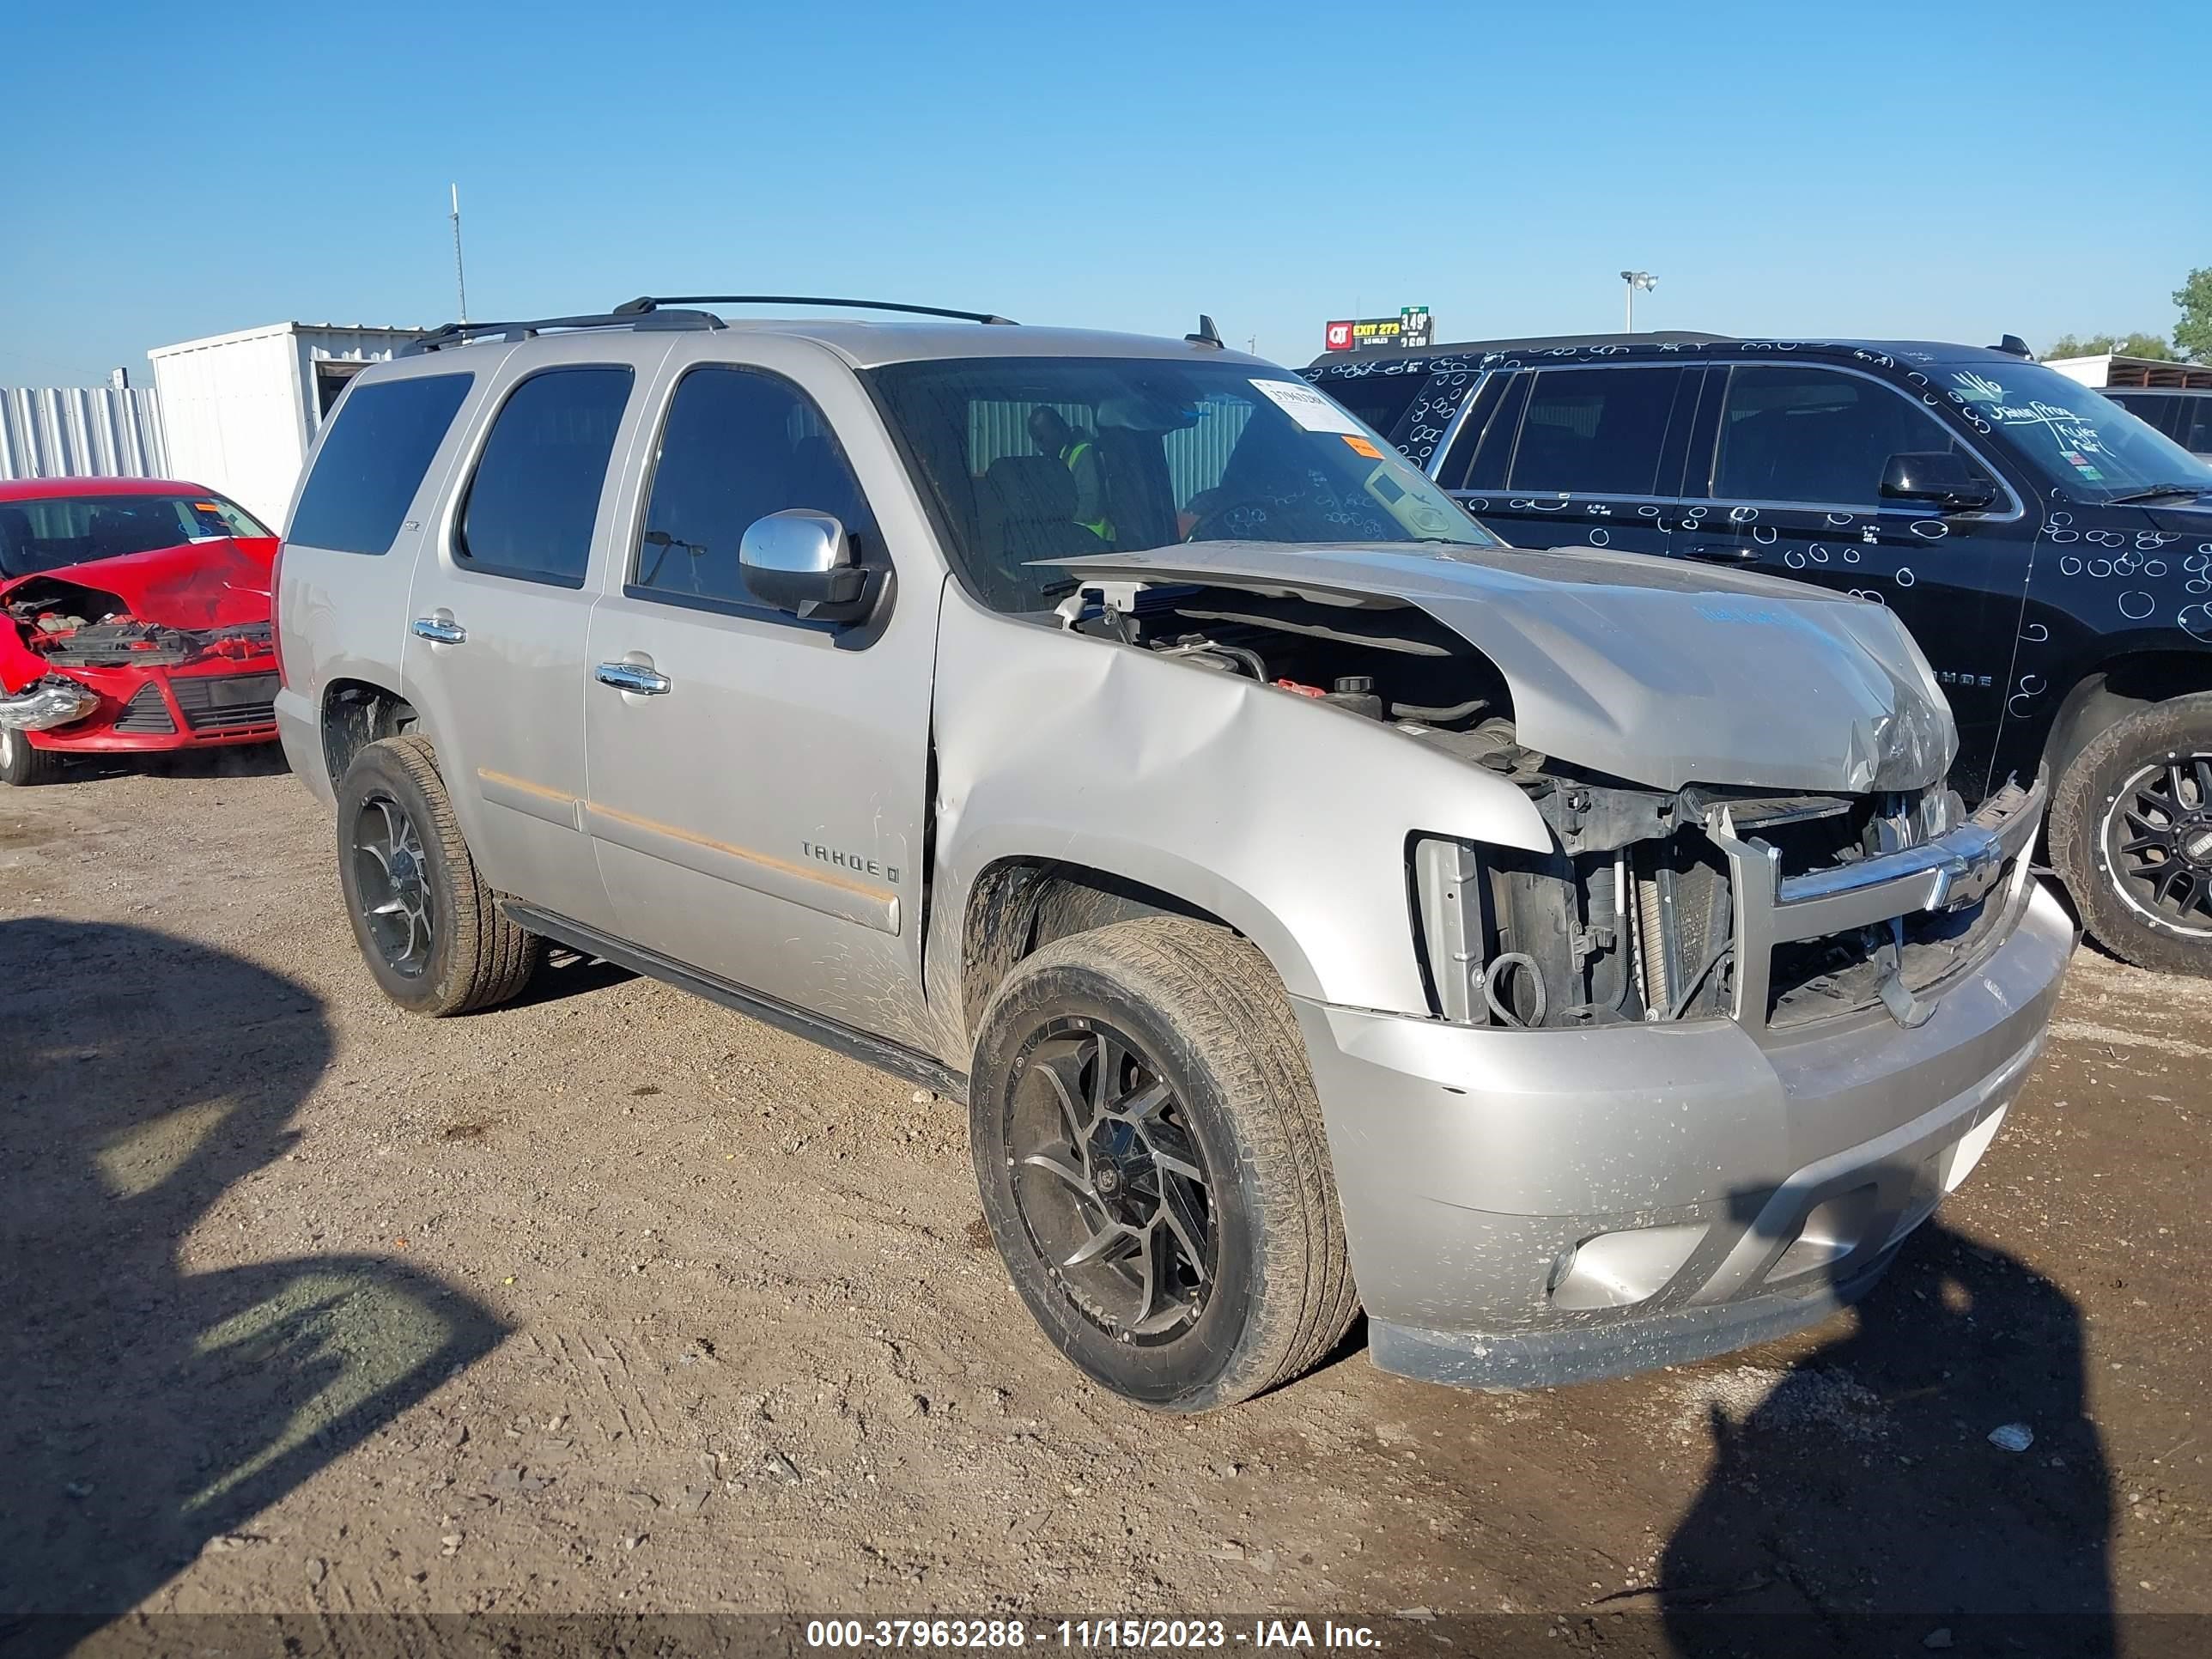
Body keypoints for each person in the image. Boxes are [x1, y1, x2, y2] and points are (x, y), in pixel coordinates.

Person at [1026, 407, 1114, 543]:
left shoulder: (1083, 453)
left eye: (1042, 438)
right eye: (1036, 440)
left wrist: (1059, 528)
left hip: (1095, 543)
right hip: (1076, 543)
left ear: (1059, 428)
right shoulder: (1060, 457)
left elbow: (1091, 505)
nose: (1039, 446)